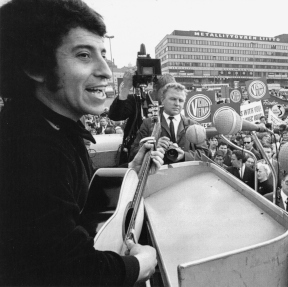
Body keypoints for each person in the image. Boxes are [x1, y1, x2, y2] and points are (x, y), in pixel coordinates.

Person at [0, 0, 163, 285]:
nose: (105, 70)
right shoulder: (29, 149)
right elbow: (72, 270)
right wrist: (140, 264)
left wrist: (131, 170)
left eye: (103, 53)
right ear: (35, 66)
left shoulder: (52, 128)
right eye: (84, 55)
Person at [130, 83, 208, 164]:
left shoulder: (193, 125)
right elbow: (133, 153)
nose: (177, 104)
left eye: (181, 100)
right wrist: (153, 147)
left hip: (186, 174)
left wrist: (185, 155)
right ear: (162, 100)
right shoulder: (148, 123)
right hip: (158, 174)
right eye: (173, 99)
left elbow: (206, 154)